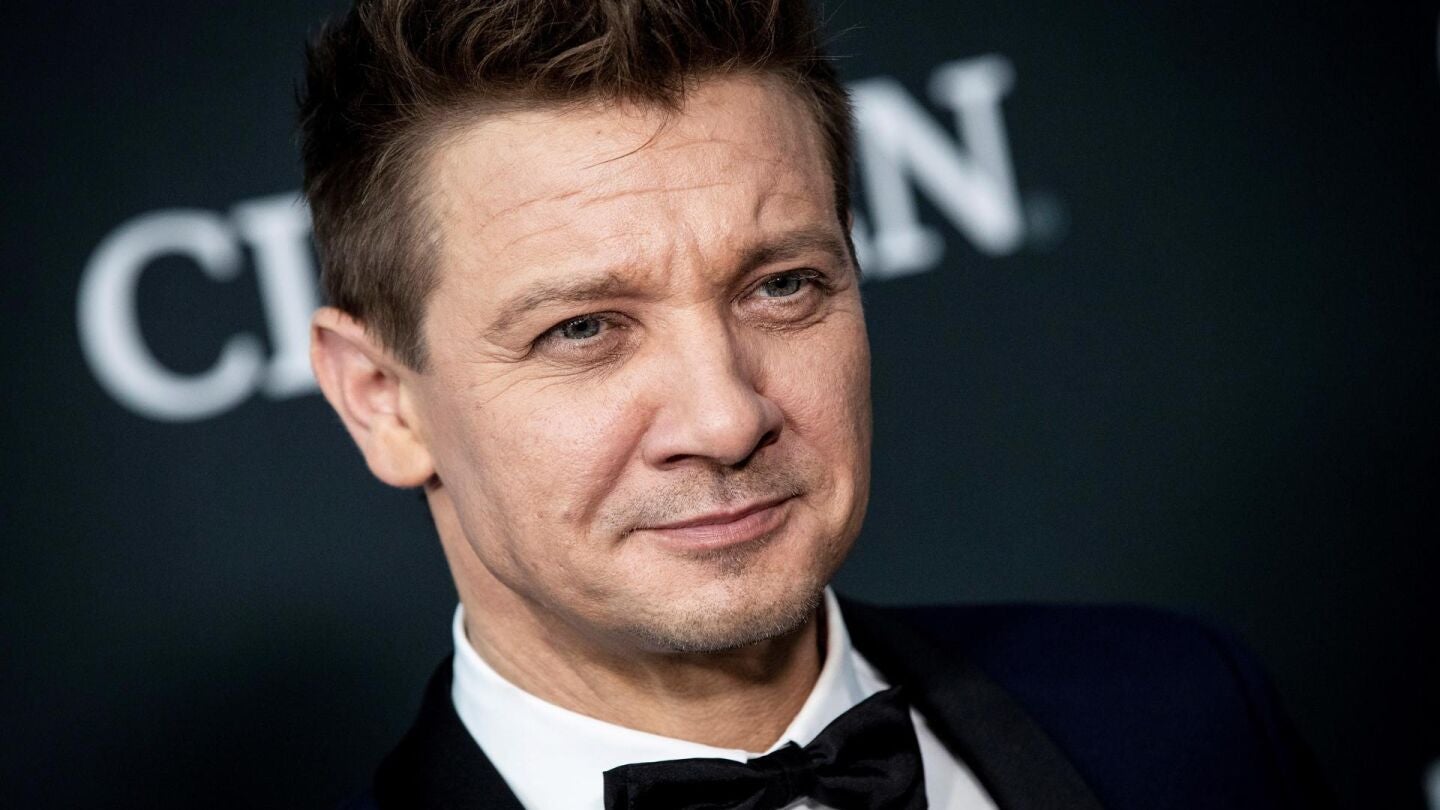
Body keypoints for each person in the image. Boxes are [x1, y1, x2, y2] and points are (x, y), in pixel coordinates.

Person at [302, 1, 1330, 808]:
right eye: (583, 329)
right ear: (381, 400)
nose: (726, 420)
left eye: (782, 286)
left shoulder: (1184, 711)